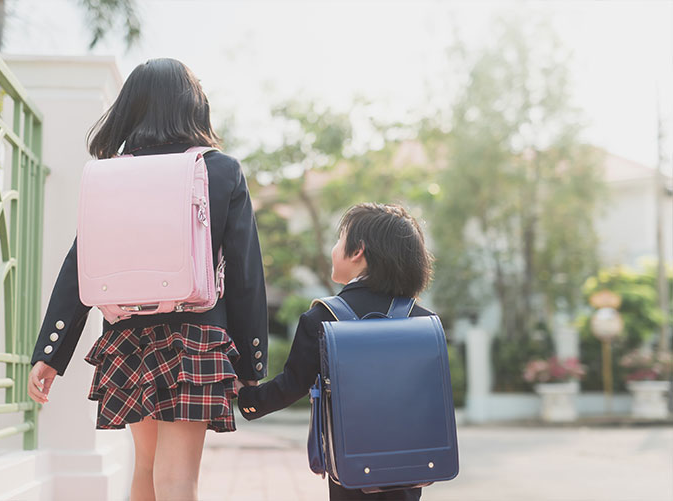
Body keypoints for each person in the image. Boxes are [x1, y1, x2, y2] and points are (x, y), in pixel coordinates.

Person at [27, 58, 268, 501]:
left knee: (146, 467)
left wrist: (51, 351)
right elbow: (245, 276)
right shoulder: (221, 170)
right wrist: (252, 366)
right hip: (196, 336)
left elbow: (80, 264)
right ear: (193, 106)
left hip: (127, 338)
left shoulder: (110, 173)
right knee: (177, 478)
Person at [236, 202, 435, 501]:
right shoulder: (423, 321)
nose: (334, 248)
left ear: (358, 251)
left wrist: (247, 398)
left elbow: (291, 386)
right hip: (410, 460)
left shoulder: (322, 318)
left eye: (339, 239)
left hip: (351, 462)